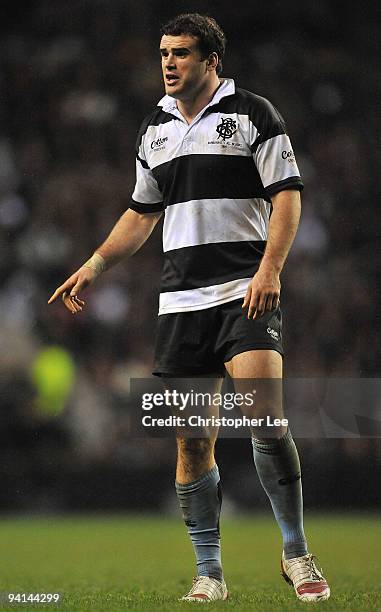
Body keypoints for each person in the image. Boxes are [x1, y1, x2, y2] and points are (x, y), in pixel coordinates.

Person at [48, 13, 330, 603]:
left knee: (265, 420)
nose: (168, 63)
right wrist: (95, 263)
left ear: (211, 61)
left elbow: (288, 197)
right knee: (192, 441)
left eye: (180, 53)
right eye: (163, 53)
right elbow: (141, 212)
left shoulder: (255, 114)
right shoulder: (154, 126)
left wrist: (269, 271)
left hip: (245, 292)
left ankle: (296, 553)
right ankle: (210, 572)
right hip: (181, 304)